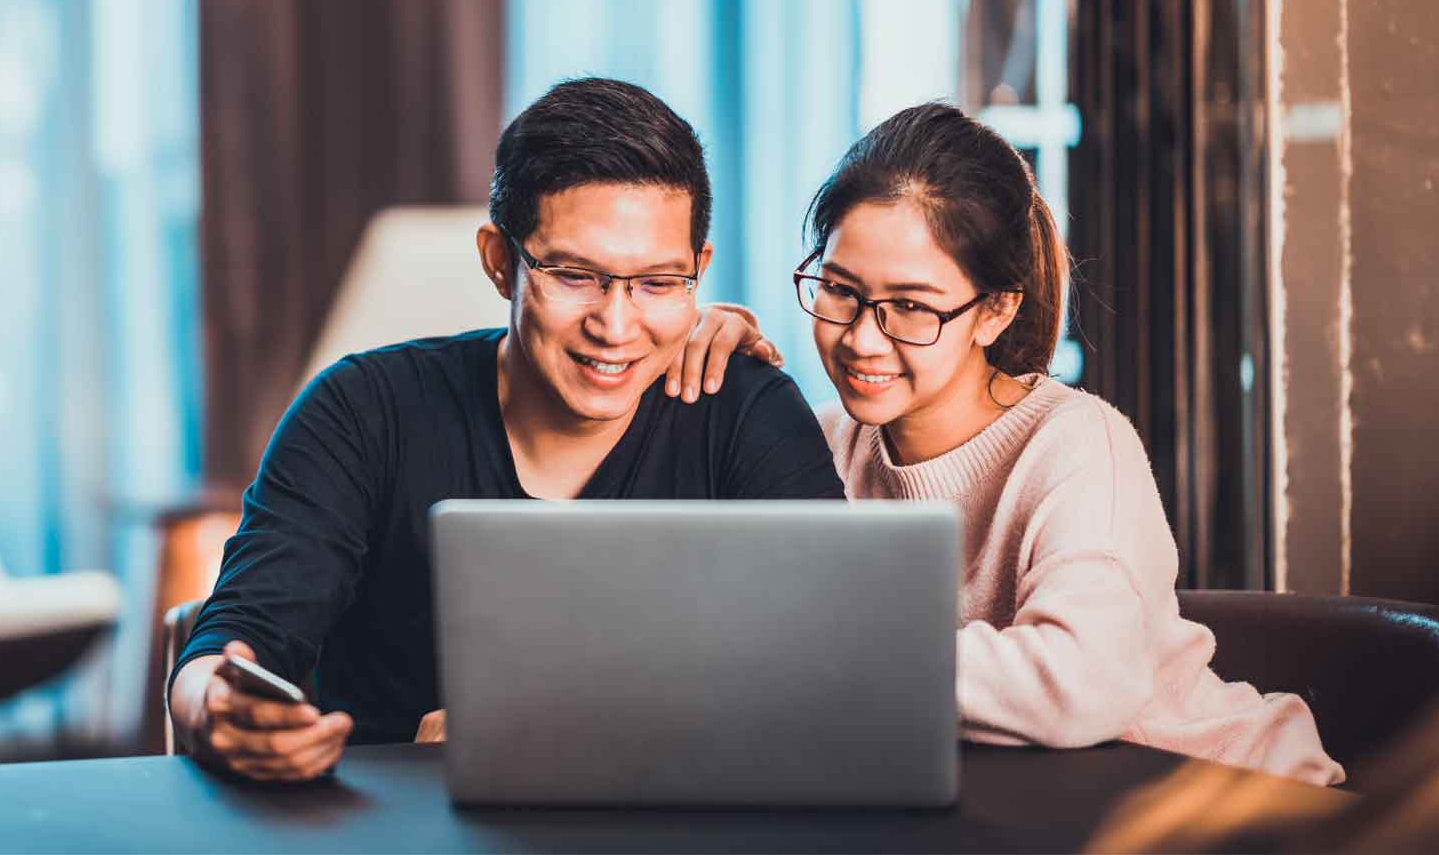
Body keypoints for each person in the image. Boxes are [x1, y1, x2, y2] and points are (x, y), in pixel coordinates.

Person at [167, 78, 846, 782]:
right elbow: (232, 640)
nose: (615, 327)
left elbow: (835, 658)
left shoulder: (743, 410)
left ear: (698, 272)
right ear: (499, 261)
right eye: (575, 275)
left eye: (657, 282)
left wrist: (565, 732)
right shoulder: (363, 411)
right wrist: (215, 707)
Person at [688, 102, 1344, 785]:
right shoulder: (821, 443)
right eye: (840, 291)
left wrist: (823, 654)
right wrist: (697, 360)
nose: (861, 338)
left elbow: (1078, 685)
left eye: (910, 306)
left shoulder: (1076, 442)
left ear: (996, 310)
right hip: (1027, 812)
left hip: (1231, 803)